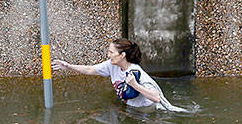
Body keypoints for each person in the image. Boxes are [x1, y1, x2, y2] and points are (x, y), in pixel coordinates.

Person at [53, 37, 192, 113]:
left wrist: (135, 85)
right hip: (130, 108)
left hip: (148, 112)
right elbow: (90, 70)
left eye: (111, 52)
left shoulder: (137, 73)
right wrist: (68, 66)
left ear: (122, 55)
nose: (108, 55)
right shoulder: (111, 65)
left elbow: (156, 97)